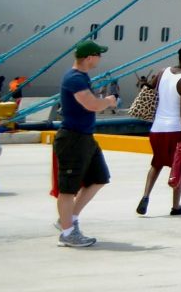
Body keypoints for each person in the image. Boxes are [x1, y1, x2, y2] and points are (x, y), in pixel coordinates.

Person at [53, 40, 118, 247]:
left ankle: (68, 219)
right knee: (68, 188)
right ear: (90, 57)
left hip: (85, 137)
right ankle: (67, 233)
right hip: (73, 138)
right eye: (99, 54)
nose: (100, 58)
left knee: (99, 177)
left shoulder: (82, 77)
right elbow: (91, 104)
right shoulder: (74, 78)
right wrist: (108, 101)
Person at [137, 45, 181, 217]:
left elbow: (148, 88)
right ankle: (176, 206)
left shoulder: (162, 72)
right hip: (176, 129)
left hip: (156, 129)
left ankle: (145, 196)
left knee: (156, 164)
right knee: (179, 167)